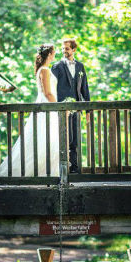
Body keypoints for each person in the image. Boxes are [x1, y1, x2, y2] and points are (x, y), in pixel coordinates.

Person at [0, 44, 60, 176]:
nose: (54, 55)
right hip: (47, 107)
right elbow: (48, 93)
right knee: (44, 140)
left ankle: (46, 172)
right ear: (49, 54)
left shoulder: (43, 69)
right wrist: (59, 107)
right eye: (53, 53)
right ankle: (40, 173)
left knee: (47, 140)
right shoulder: (45, 71)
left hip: (46, 107)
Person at [50, 37, 90, 173]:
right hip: (61, 109)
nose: (64, 51)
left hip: (77, 108)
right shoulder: (56, 66)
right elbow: (51, 87)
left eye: (66, 49)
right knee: (65, 137)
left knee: (75, 139)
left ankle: (75, 167)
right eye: (62, 49)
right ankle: (62, 167)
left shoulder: (80, 67)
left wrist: (88, 111)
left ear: (74, 49)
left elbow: (85, 89)